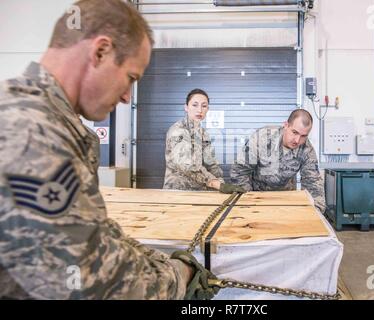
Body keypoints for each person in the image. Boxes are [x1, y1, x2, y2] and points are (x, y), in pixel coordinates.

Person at [0, 0, 217, 300]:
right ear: (100, 52)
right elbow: (89, 280)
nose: (128, 97)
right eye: (130, 78)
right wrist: (180, 276)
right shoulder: (32, 134)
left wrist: (159, 261)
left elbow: (95, 234)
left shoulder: (35, 115)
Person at [230, 109, 326, 213]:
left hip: (285, 199)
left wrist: (315, 214)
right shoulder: (262, 138)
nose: (297, 140)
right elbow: (239, 171)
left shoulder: (307, 150)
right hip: (256, 195)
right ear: (286, 125)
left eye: (303, 136)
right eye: (294, 132)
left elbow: (313, 184)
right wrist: (248, 200)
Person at [163, 88, 245, 194]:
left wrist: (222, 183)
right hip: (178, 193)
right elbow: (187, 166)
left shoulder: (202, 133)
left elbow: (211, 164)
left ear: (208, 109)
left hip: (200, 193)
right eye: (195, 105)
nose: (199, 110)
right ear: (186, 107)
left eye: (204, 106)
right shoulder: (179, 131)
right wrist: (217, 185)